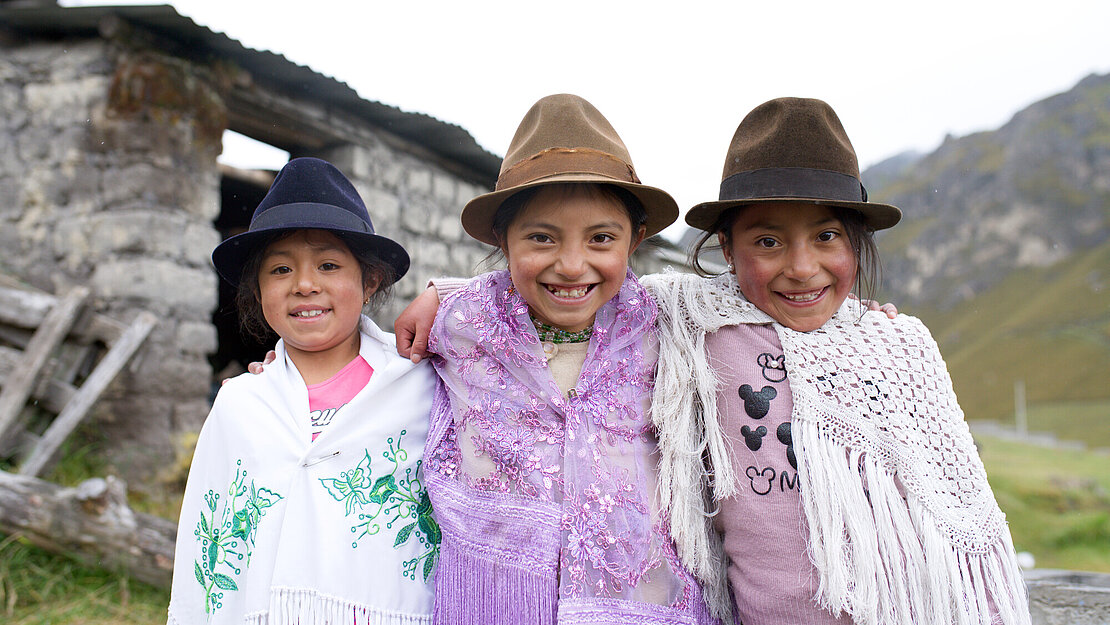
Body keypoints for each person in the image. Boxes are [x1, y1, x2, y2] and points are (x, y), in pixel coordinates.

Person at [644, 97, 1031, 624]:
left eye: (826, 237)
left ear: (856, 242)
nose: (803, 268)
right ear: (728, 250)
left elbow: (955, 516)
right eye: (768, 240)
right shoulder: (694, 324)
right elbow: (587, 290)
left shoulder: (895, 346)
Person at [421, 94, 713, 624]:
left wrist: (869, 318)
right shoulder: (463, 326)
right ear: (501, 240)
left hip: (642, 603)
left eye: (601, 238)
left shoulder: (665, 325)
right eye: (541, 237)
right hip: (497, 603)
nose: (572, 265)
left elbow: (761, 307)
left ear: (636, 239)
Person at [168, 158, 438, 625]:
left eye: (329, 265)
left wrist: (446, 294)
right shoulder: (242, 405)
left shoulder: (422, 391)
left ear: (369, 281)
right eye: (279, 270)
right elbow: (205, 544)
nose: (305, 285)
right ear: (257, 290)